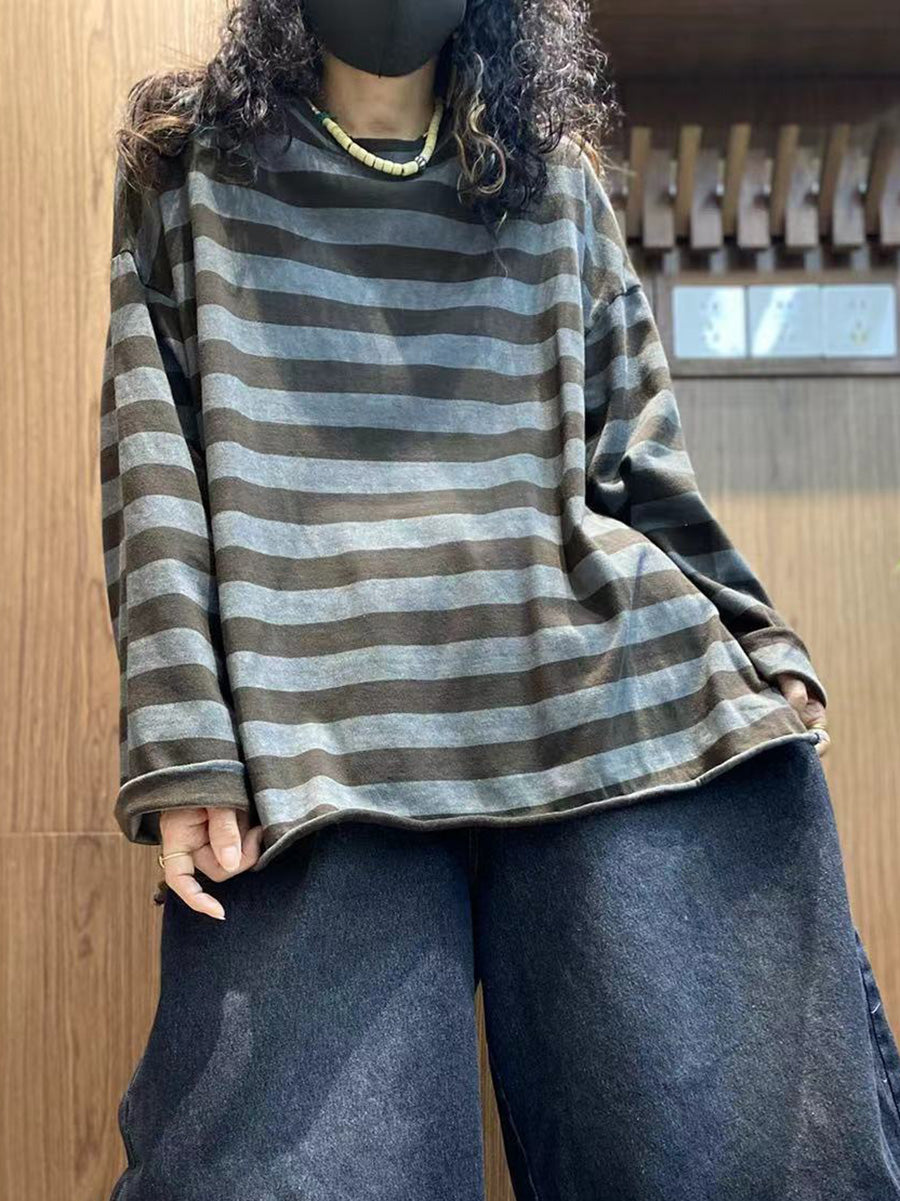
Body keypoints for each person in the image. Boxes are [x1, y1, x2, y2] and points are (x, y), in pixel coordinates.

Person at [99, 2, 900, 1198]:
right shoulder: (190, 162)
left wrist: (754, 636)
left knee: (726, 1153)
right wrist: (184, 745)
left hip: (600, 695)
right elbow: (149, 454)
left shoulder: (548, 177)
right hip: (313, 733)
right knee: (293, 1174)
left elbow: (636, 447)